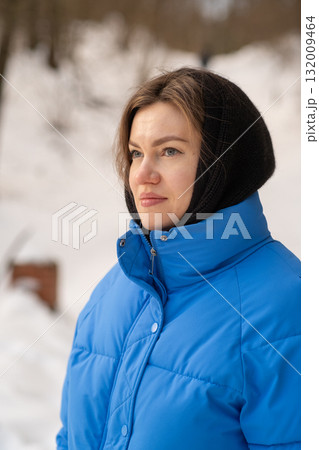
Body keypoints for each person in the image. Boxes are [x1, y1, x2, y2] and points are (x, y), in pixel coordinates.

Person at [56, 67, 301, 449]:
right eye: (137, 154)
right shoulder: (114, 289)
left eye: (169, 151)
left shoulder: (289, 306)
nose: (143, 175)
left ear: (222, 164)